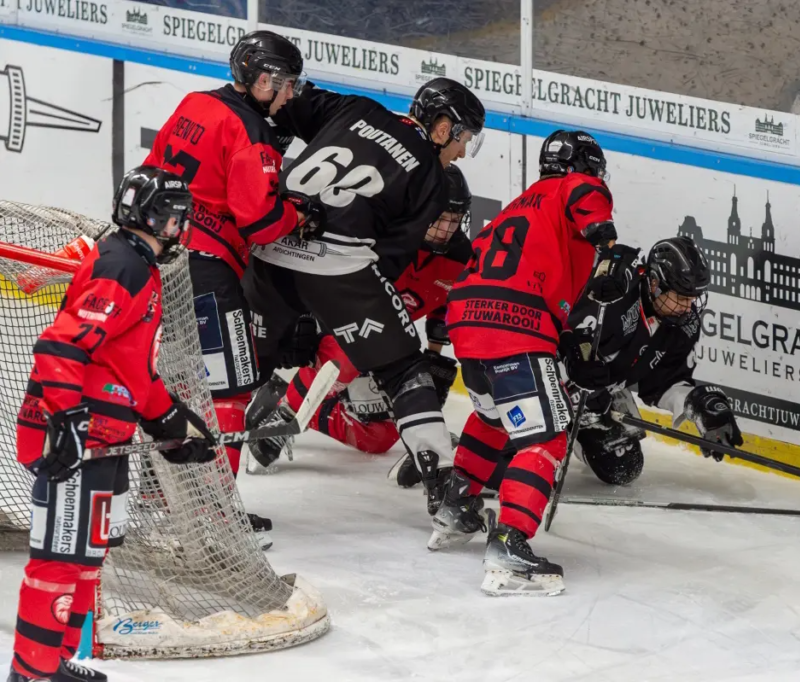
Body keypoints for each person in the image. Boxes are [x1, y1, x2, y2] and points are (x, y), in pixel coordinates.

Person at [8, 167, 216, 682]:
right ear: (143, 216)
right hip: (79, 438)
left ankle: (55, 661)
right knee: (58, 556)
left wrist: (170, 426)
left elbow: (129, 371)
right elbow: (61, 344)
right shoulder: (121, 263)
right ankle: (30, 672)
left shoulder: (140, 269)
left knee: (87, 556)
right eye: (170, 219)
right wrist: (67, 421)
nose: (177, 229)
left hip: (106, 438)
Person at [241, 77, 485, 514]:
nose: (462, 151)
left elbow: (283, 105)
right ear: (443, 127)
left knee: (243, 364)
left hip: (270, 240)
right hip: (335, 265)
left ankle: (175, 475)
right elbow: (384, 262)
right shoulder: (429, 176)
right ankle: (444, 489)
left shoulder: (356, 108)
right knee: (405, 364)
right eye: (464, 137)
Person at [143, 30, 322, 542]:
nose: (289, 95)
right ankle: (217, 516)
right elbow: (261, 223)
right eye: (285, 84)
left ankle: (161, 495)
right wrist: (299, 212)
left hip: (160, 258)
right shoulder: (250, 132)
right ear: (262, 79)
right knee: (231, 389)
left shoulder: (193, 103)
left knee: (174, 382)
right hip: (207, 271)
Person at [430, 129, 618, 597]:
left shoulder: (520, 205)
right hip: (514, 323)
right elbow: (583, 191)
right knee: (546, 436)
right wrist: (603, 231)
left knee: (492, 418)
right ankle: (511, 545)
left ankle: (457, 505)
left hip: (468, 320)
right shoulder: (572, 189)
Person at [245, 164, 473, 469]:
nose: (446, 229)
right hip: (341, 325)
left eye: (454, 220)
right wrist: (308, 316)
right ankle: (283, 416)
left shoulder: (460, 258)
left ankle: (287, 399)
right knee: (346, 355)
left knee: (378, 438)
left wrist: (434, 357)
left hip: (386, 345)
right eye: (441, 218)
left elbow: (446, 305)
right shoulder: (385, 236)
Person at [563, 236, 744, 486]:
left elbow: (665, 380)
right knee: (513, 460)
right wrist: (572, 362)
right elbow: (559, 326)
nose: (687, 306)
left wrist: (700, 403)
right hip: (553, 372)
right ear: (655, 283)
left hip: (602, 389)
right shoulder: (616, 290)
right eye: (680, 296)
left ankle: (585, 423)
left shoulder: (684, 323)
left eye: (693, 298)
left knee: (624, 468)